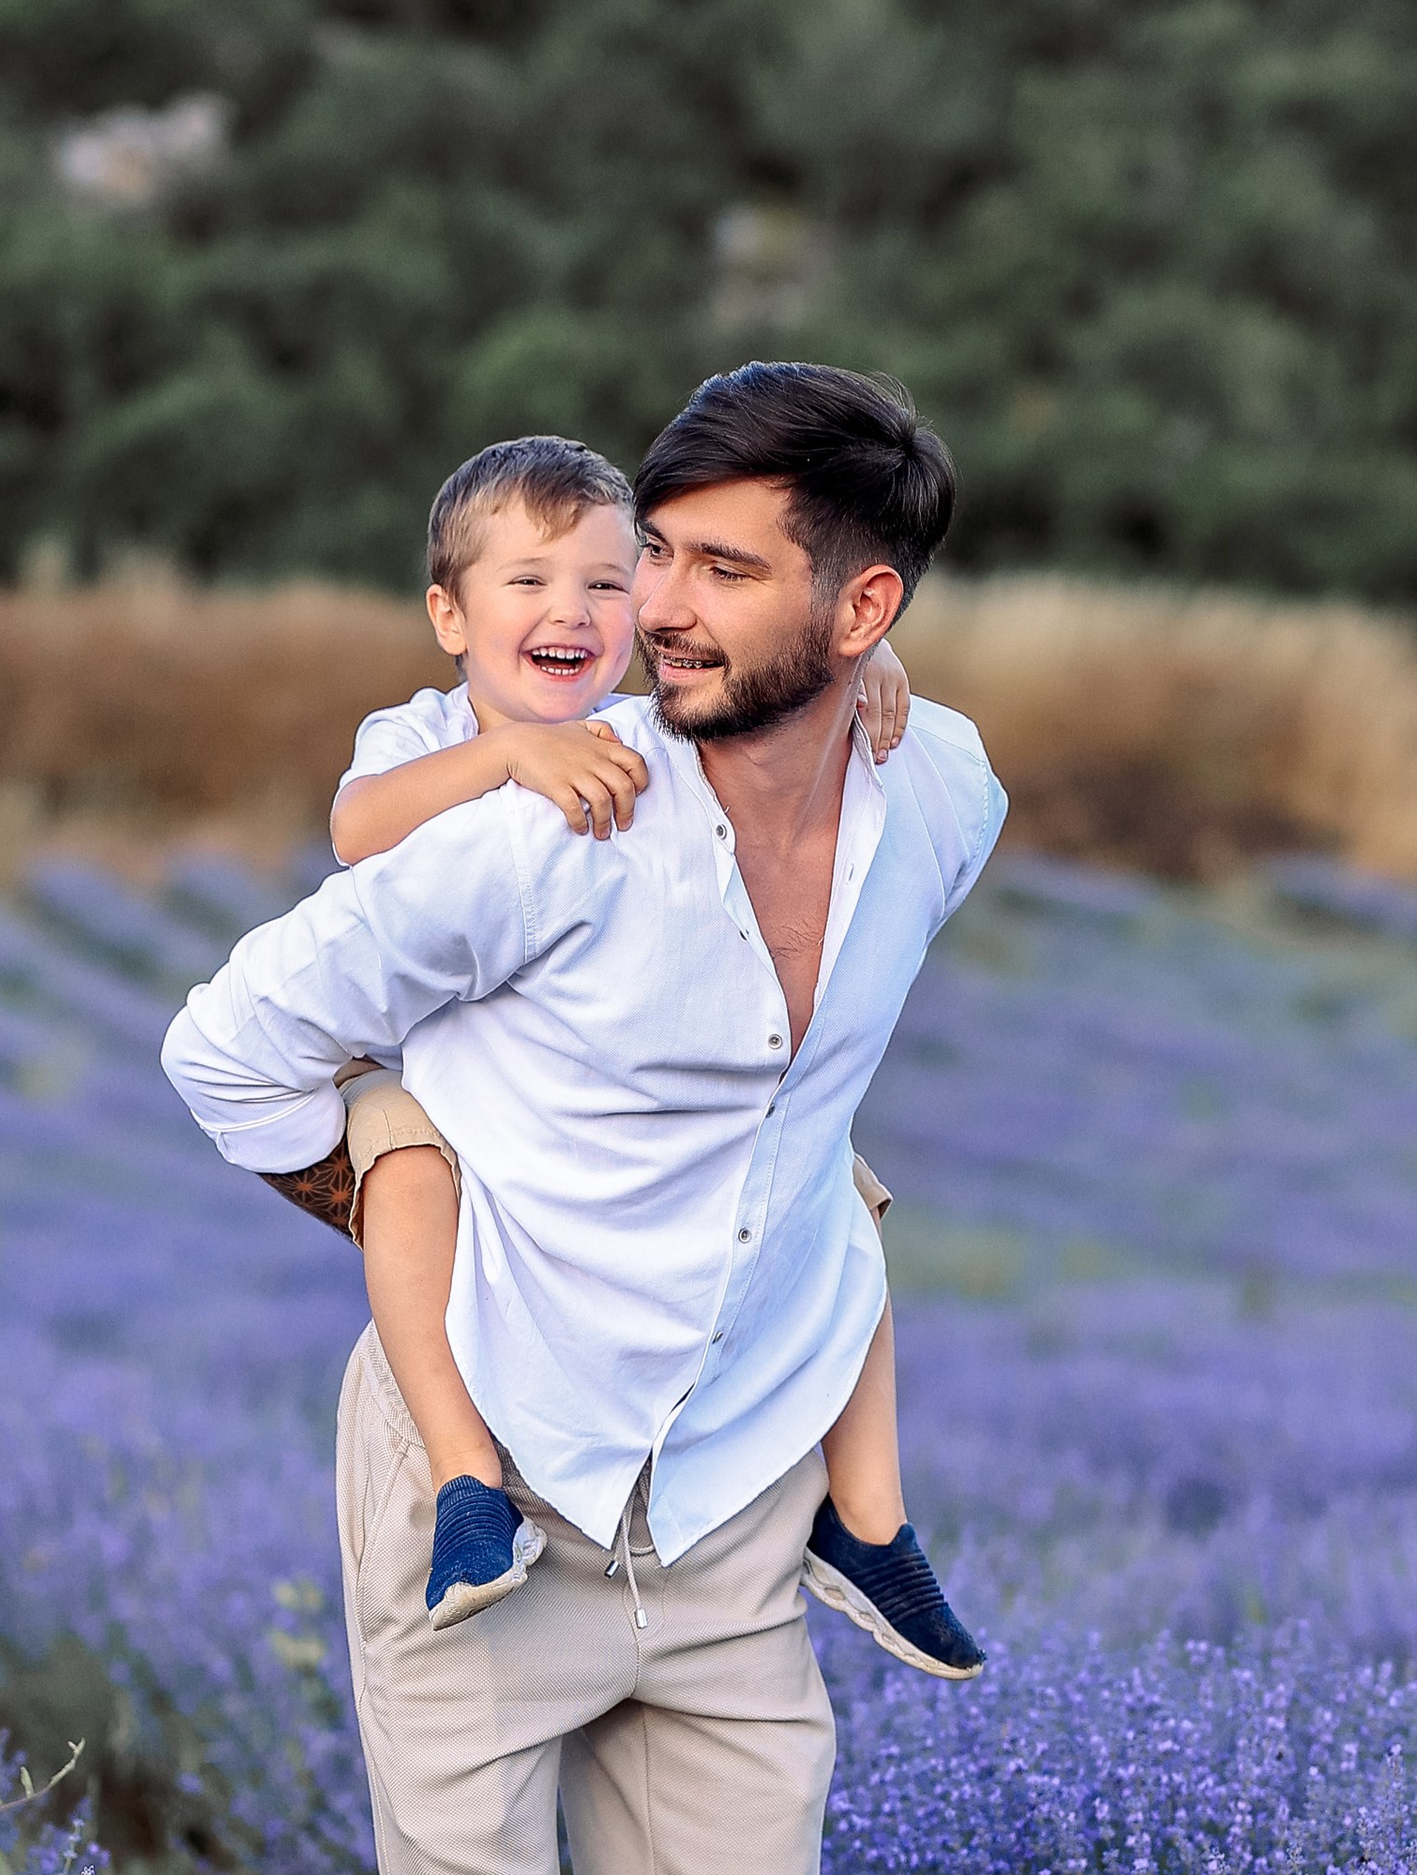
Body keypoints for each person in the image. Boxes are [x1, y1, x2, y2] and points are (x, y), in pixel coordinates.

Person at [161, 361, 1005, 1875]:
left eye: (721, 569)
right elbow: (226, 1049)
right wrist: (403, 1213)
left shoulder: (935, 789)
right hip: (493, 1499)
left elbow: (846, 1019)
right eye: (657, 557)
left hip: (729, 1505)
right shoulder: (549, 828)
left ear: (862, 609)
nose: (658, 609)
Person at [325, 430, 983, 1681]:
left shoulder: (638, 727)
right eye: (527, 582)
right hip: (433, 1084)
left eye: (607, 582)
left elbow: (777, 666)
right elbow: (358, 830)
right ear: (448, 615)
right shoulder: (423, 731)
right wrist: (505, 754)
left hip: (577, 1106)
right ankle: (466, 1480)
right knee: (407, 1180)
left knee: (823, 1192)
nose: (572, 611)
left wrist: (862, 656)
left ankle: (869, 1519)